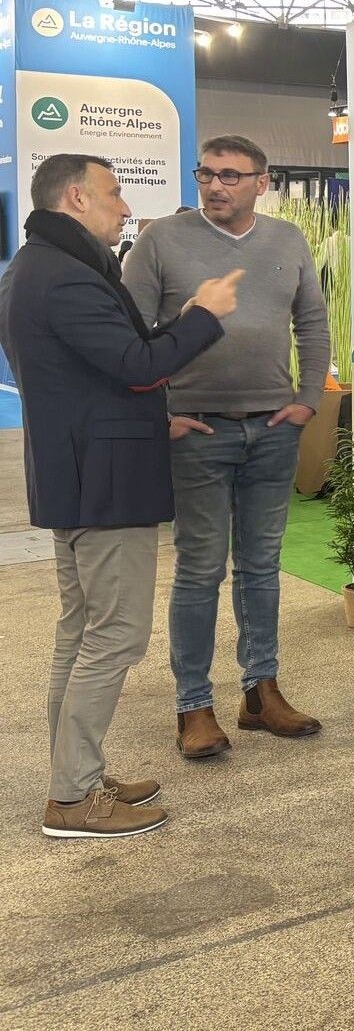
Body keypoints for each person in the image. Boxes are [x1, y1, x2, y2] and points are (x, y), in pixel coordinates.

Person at [0, 154, 239, 838]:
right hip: (103, 484)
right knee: (113, 637)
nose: (125, 206)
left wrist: (153, 418)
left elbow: (84, 378)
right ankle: (72, 800)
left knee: (80, 636)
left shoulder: (36, 268)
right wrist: (201, 314)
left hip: (79, 474)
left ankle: (74, 775)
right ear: (75, 197)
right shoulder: (67, 278)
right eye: (113, 193)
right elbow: (138, 364)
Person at [123, 135, 331, 759]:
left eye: (231, 176)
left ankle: (260, 692)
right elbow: (130, 336)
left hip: (273, 428)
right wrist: (160, 413)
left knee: (262, 566)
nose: (216, 186)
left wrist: (308, 399)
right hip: (198, 430)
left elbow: (313, 322)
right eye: (206, 174)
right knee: (200, 570)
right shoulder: (160, 239)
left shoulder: (288, 241)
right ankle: (193, 706)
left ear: (262, 183)